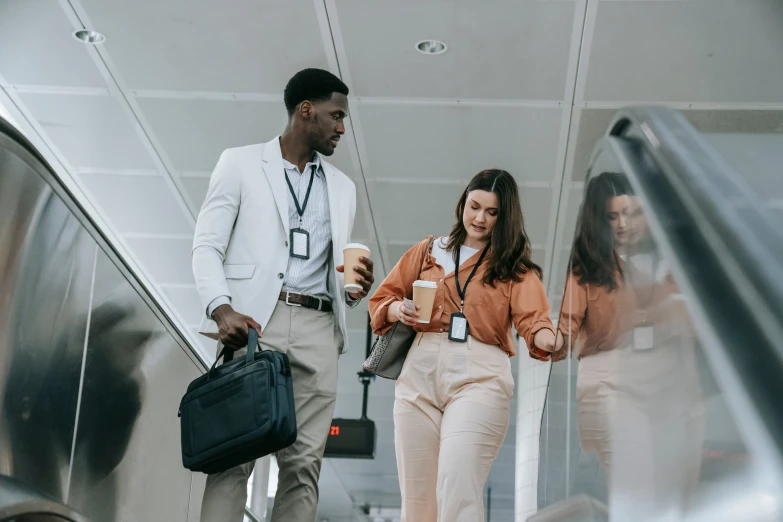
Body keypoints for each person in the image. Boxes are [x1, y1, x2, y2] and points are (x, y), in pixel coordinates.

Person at [192, 68, 375, 522]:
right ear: (305, 111)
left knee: (303, 466)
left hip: (318, 327)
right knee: (234, 458)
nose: (341, 128)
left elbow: (331, 268)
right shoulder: (239, 162)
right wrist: (221, 308)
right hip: (255, 323)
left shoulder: (342, 187)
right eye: (336, 115)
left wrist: (353, 289)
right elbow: (206, 246)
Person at [368, 169, 556, 522]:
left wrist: (553, 339)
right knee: (417, 502)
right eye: (474, 206)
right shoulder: (427, 251)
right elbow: (383, 299)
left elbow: (534, 322)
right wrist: (398, 308)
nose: (480, 218)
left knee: (457, 485)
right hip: (419, 371)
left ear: (505, 217)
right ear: (463, 203)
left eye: (492, 212)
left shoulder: (515, 269)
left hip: (479, 376)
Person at [555, 172, 704, 520]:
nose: (623, 224)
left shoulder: (676, 259)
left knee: (679, 498)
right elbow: (567, 324)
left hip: (675, 382)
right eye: (612, 216)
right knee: (636, 487)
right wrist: (547, 337)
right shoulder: (589, 268)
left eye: (630, 213)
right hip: (614, 379)